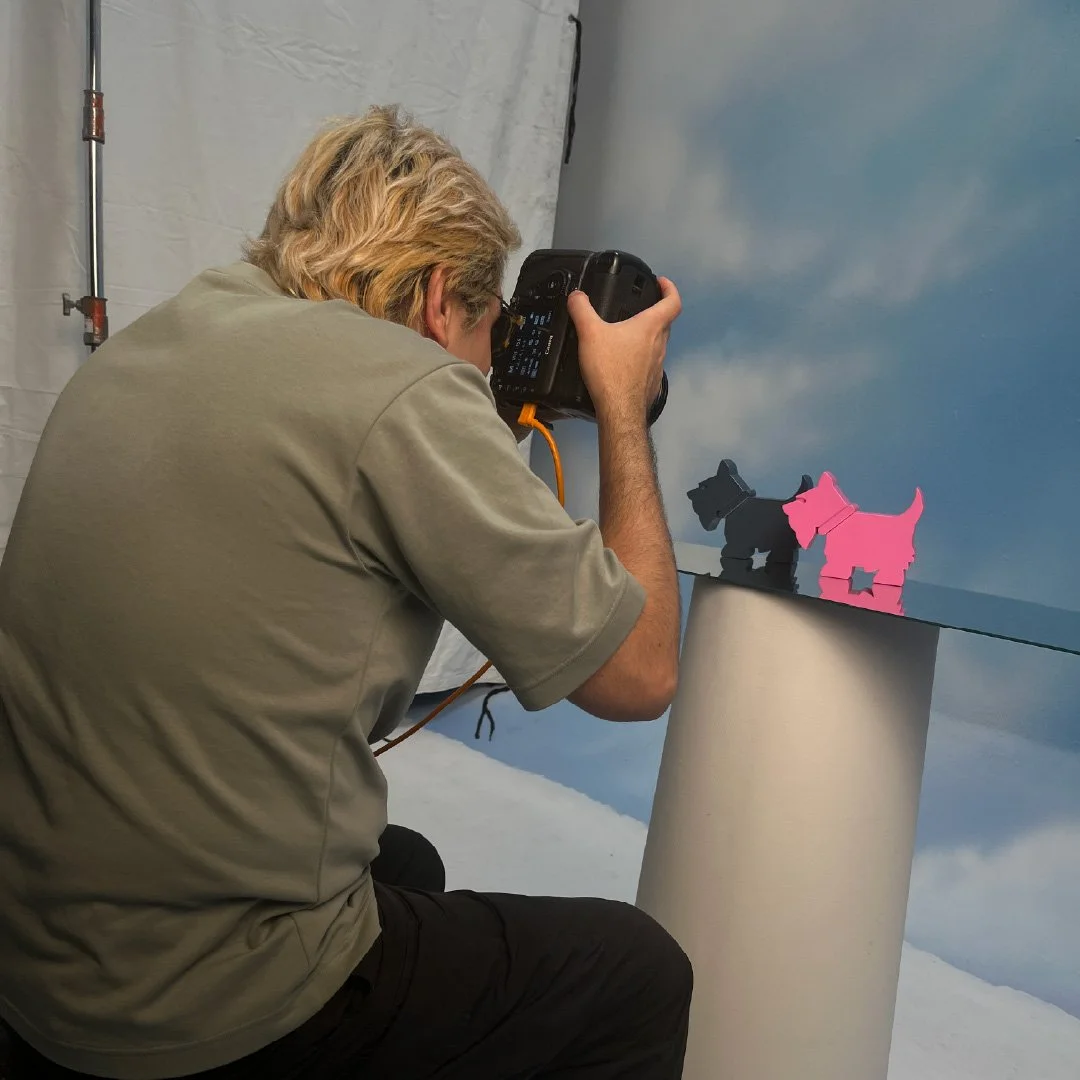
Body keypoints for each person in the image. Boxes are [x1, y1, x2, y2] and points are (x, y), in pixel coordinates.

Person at [0, 105, 689, 1079]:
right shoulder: (402, 386)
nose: (491, 370)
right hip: (179, 1007)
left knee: (402, 865)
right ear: (441, 297)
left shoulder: (162, 335)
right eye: (490, 332)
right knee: (635, 974)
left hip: (37, 966)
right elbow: (639, 671)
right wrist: (622, 408)